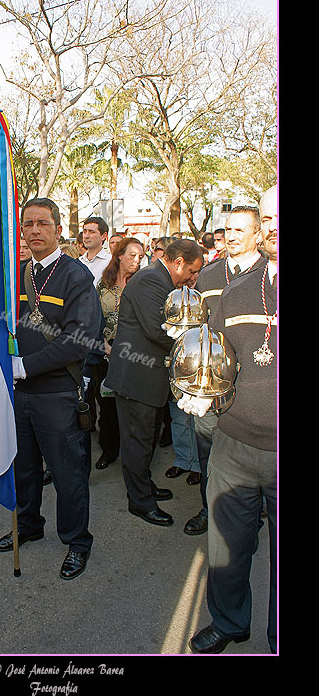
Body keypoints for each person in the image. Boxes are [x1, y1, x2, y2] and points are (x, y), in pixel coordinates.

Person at [189, 186, 277, 655]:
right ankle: (227, 621)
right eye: (269, 217)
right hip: (234, 446)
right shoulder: (239, 287)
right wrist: (203, 391)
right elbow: (219, 356)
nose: (275, 226)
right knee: (226, 545)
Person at [0, 198, 101, 581]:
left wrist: (27, 365)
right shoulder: (17, 275)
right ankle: (28, 525)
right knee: (23, 468)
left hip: (57, 392)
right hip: (19, 394)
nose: (34, 230)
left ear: (58, 229)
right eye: (28, 224)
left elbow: (80, 338)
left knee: (67, 474)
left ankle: (76, 541)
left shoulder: (75, 275)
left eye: (43, 223)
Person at [105, 238, 204, 527]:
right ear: (178, 263)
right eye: (193, 271)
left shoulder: (158, 279)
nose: (194, 278)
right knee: (138, 442)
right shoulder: (152, 280)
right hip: (138, 377)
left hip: (147, 377)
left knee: (145, 439)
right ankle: (140, 502)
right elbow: (159, 331)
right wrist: (195, 342)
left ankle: (144, 487)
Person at [183, 205, 268, 537]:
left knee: (252, 457)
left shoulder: (268, 274)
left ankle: (257, 512)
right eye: (228, 230)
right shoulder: (209, 273)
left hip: (255, 386)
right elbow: (198, 325)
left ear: (258, 235)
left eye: (239, 230)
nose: (231, 236)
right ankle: (209, 508)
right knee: (209, 449)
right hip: (211, 383)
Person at [94, 238, 144, 469]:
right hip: (106, 353)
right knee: (107, 408)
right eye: (132, 255)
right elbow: (93, 317)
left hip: (134, 353)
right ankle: (109, 450)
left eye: (140, 256)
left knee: (133, 408)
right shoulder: (103, 284)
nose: (136, 260)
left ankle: (134, 457)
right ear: (119, 255)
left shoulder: (143, 284)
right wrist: (104, 344)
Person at [79, 216, 111, 286]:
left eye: (91, 232)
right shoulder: (78, 262)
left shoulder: (111, 262)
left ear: (103, 236)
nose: (86, 236)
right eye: (85, 231)